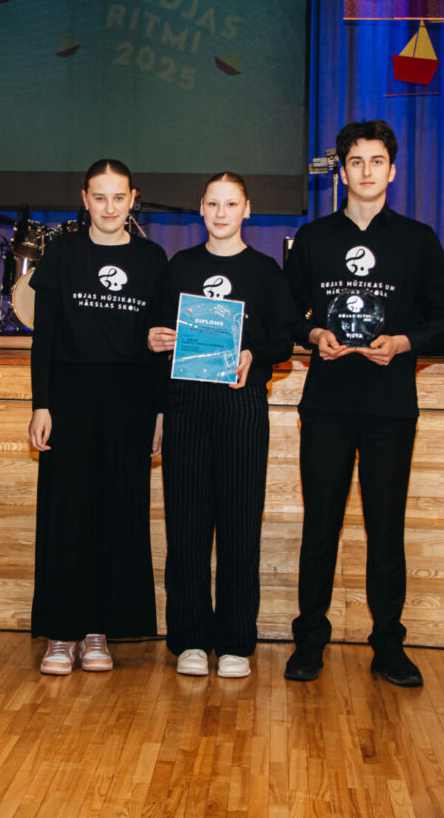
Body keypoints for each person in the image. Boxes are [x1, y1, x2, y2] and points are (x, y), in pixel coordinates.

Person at [283, 120, 444, 687]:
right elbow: (285, 314)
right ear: (341, 170)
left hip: (390, 407)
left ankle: (388, 646)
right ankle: (309, 641)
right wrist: (313, 335)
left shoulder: (417, 239)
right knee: (321, 527)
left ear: (393, 170)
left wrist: (404, 342)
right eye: (355, 161)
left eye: (376, 161)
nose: (366, 171)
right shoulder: (313, 239)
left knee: (386, 531)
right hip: (327, 405)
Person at [148, 172, 296, 678]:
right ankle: (190, 639)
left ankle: (235, 642)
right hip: (186, 407)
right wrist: (155, 340)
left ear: (247, 210)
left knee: (239, 528)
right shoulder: (181, 266)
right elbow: (157, 333)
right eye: (213, 203)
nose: (221, 213)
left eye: (231, 204)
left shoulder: (266, 271)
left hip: (242, 407)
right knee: (186, 529)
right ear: (201, 208)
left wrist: (255, 354)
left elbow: (284, 342)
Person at [28, 159, 168, 675]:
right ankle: (61, 633)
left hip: (130, 402)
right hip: (70, 400)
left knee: (116, 514)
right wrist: (41, 403)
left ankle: (97, 632)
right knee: (68, 515)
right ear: (84, 200)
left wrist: (160, 410)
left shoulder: (153, 259)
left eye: (119, 197)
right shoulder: (62, 252)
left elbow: (162, 342)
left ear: (133, 200)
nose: (110, 207)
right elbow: (45, 335)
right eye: (100, 197)